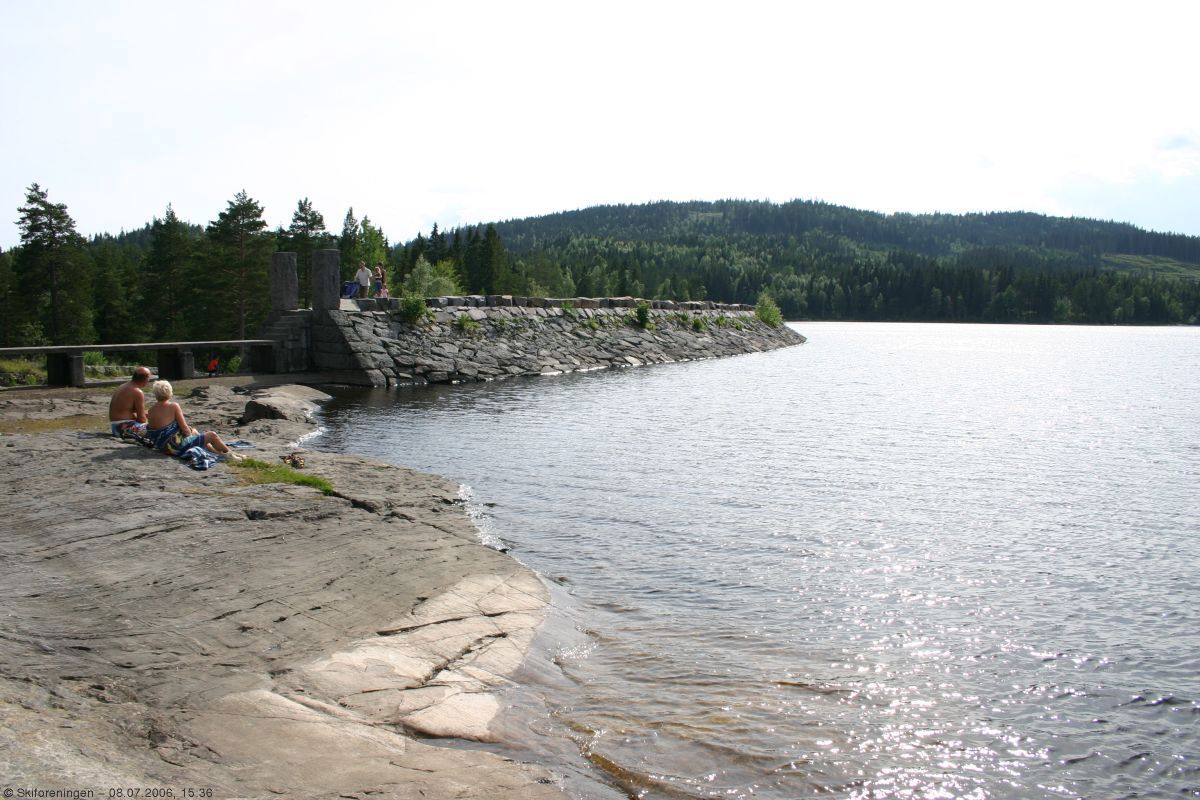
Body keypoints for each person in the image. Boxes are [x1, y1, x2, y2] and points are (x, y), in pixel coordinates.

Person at [146, 380, 240, 459]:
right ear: (169, 392)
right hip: (175, 447)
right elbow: (186, 430)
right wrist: (190, 433)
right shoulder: (173, 406)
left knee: (196, 433)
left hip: (163, 447)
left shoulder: (151, 410)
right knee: (212, 435)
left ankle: (218, 453)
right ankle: (231, 455)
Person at [108, 366, 151, 438]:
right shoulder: (137, 391)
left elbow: (128, 410)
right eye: (149, 378)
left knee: (151, 414)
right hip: (125, 429)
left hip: (115, 428)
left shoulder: (123, 386)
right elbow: (142, 419)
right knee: (158, 428)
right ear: (146, 379)